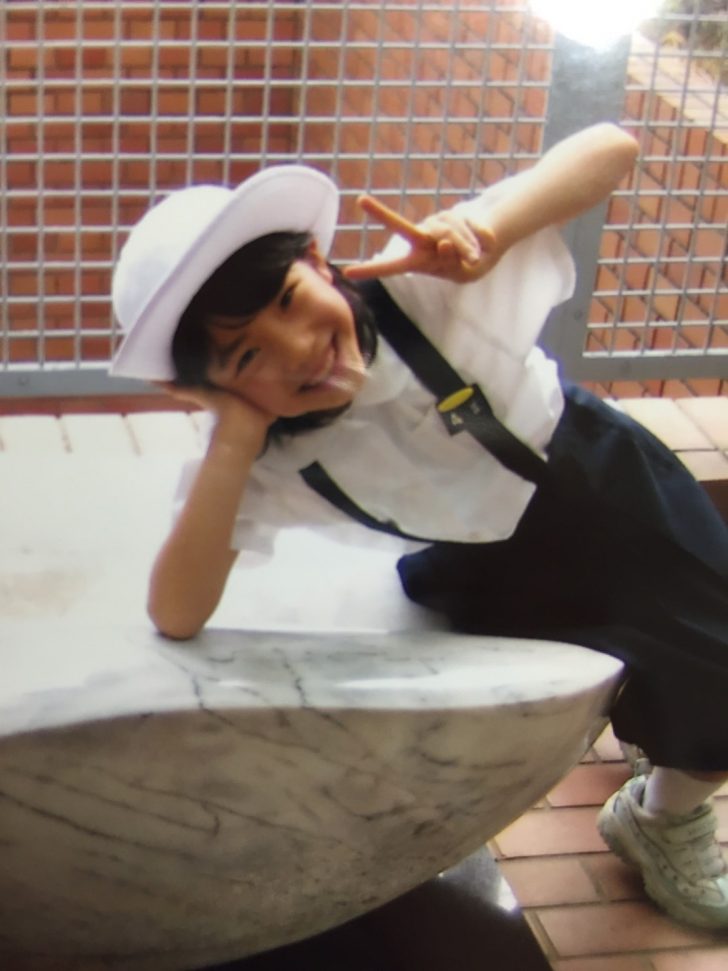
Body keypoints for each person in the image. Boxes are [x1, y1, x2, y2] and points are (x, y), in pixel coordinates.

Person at [109, 123, 728, 931]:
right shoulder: (272, 456)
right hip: (491, 569)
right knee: (606, 683)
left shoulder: (425, 293)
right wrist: (233, 436)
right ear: (216, 389)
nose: (297, 348)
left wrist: (488, 228)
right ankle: (662, 736)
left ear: (319, 262)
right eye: (245, 358)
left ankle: (662, 811)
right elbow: (177, 611)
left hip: (608, 487)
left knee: (716, 651)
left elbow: (613, 148)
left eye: (290, 300)